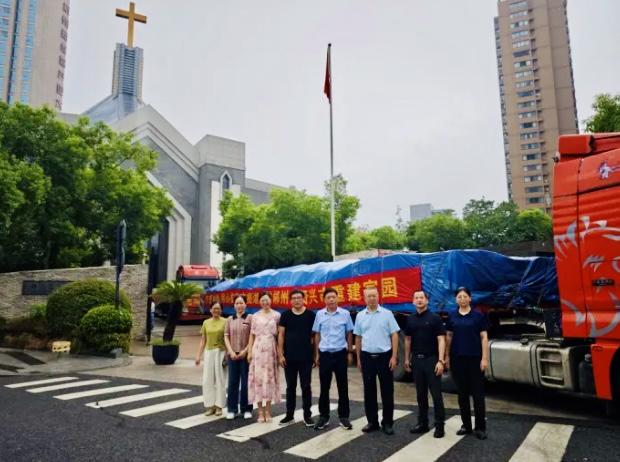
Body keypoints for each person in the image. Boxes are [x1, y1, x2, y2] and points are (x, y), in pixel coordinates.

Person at [354, 285, 400, 435]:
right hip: (367, 357)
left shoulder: (387, 314)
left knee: (387, 391)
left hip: (385, 357)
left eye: (374, 295)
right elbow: (358, 338)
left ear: (378, 296)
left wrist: (394, 356)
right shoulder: (360, 316)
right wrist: (359, 358)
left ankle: (387, 423)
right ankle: (372, 422)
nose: (372, 298)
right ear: (364, 298)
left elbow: (394, 335)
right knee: (369, 391)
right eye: (369, 296)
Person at [446, 286, 490, 440]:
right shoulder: (452, 316)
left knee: (478, 395)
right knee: (462, 395)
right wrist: (447, 357)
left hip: (475, 360)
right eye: (459, 297)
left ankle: (480, 427)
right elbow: (449, 337)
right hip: (458, 359)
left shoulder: (478, 316)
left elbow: (484, 337)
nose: (462, 299)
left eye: (465, 296)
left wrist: (484, 358)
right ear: (456, 300)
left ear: (470, 298)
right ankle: (466, 425)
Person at [404, 290, 446, 438]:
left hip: (432, 360)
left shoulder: (435, 318)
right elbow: (408, 340)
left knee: (436, 395)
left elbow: (441, 339)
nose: (419, 300)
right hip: (416, 360)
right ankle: (422, 423)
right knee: (420, 395)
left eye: (422, 297)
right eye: (416, 298)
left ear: (427, 301)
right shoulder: (410, 319)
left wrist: (441, 361)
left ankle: (440, 425)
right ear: (413, 301)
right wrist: (407, 359)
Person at [312, 287, 354, 431]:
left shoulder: (345, 314)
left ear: (337, 298)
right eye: (328, 297)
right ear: (324, 300)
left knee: (343, 386)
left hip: (340, 354)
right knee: (324, 387)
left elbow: (349, 333)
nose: (331, 300)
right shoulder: (319, 314)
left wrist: (349, 352)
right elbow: (317, 334)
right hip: (324, 355)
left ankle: (344, 417)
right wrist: (317, 354)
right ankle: (324, 417)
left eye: (333, 297)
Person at [277, 289, 316, 427]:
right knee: (290, 387)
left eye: (299, 297)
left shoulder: (311, 315)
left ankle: (307, 415)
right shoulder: (286, 315)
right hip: (289, 358)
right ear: (290, 300)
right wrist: (280, 354)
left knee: (306, 387)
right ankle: (289, 415)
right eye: (294, 298)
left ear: (304, 299)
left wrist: (315, 355)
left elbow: (315, 336)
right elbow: (281, 335)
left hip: (306, 357)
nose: (297, 300)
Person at [247, 292, 281, 422]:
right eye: (262, 300)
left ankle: (268, 411)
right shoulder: (255, 316)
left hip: (271, 351)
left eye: (267, 300)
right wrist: (250, 351)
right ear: (259, 302)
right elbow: (252, 335)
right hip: (258, 350)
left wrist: (279, 353)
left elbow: (279, 336)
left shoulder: (277, 315)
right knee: (258, 380)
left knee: (269, 380)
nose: (265, 302)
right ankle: (260, 412)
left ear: (271, 301)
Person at [195, 301, 227, 416]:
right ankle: (210, 406)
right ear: (210, 310)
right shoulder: (206, 323)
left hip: (221, 352)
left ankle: (219, 406)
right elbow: (203, 340)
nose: (216, 310)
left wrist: (227, 354)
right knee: (208, 380)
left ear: (221, 310)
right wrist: (198, 355)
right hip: (208, 353)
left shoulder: (226, 322)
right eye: (214, 308)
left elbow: (228, 339)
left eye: (218, 308)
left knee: (220, 380)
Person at [224, 294, 253, 420]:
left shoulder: (250, 318)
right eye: (237, 303)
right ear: (234, 305)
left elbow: (253, 337)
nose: (239, 305)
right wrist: (230, 351)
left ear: (246, 304)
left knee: (246, 383)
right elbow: (226, 336)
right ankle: (232, 409)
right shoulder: (230, 319)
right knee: (232, 383)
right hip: (232, 355)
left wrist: (245, 351)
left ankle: (246, 409)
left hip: (246, 356)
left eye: (241, 303)